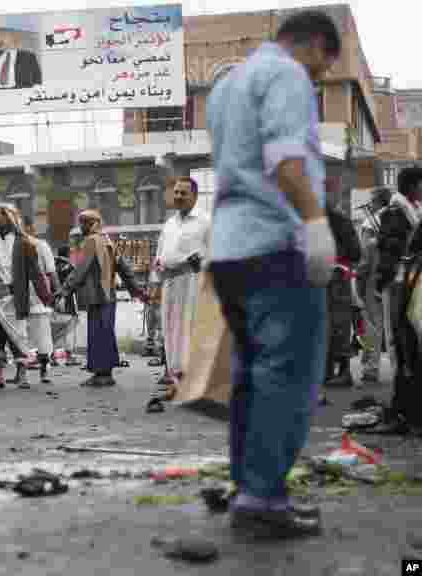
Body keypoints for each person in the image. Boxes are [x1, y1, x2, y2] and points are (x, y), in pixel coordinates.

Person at [206, 10, 341, 537]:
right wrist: (315, 223)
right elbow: (287, 162)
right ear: (313, 47)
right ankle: (263, 499)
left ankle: (252, 490)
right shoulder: (286, 74)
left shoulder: (228, 84)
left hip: (229, 248)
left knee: (251, 376)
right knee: (285, 375)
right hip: (275, 244)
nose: (316, 80)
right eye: (322, 70)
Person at [57, 210, 144, 387]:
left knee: (97, 335)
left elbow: (81, 269)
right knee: (106, 334)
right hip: (109, 295)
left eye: (83, 222)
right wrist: (136, 290)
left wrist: (64, 290)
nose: (81, 226)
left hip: (96, 296)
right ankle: (107, 374)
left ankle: (100, 374)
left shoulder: (91, 241)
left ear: (91, 224)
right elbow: (124, 267)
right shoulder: (107, 240)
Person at [147, 178, 210, 412]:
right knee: (172, 334)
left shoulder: (205, 222)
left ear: (194, 195)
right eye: (176, 193)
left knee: (191, 333)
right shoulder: (170, 224)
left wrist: (201, 262)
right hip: (170, 284)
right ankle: (177, 383)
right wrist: (155, 281)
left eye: (183, 193)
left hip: (194, 284)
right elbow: (160, 254)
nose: (179, 197)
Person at [375, 166, 422, 433]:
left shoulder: (410, 212)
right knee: (401, 345)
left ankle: (406, 407)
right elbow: (390, 250)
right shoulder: (397, 213)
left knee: (408, 345)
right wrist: (384, 281)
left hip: (408, 286)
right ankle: (403, 407)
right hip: (399, 286)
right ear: (413, 186)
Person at [0, 204, 42, 389]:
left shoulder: (24, 243)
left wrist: (48, 297)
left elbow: (36, 273)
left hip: (15, 298)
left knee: (19, 337)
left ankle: (22, 376)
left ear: (9, 217)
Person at [323, 202, 362, 389]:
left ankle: (342, 371)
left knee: (337, 323)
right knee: (331, 324)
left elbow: (355, 251)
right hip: (328, 277)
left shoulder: (336, 218)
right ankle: (329, 371)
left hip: (336, 276)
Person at [356, 187, 391, 387]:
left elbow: (365, 258)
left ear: (377, 201)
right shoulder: (397, 220)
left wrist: (359, 281)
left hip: (373, 279)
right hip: (394, 277)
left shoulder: (370, 223)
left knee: (372, 325)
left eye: (372, 200)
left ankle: (371, 368)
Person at [22, 215, 58, 384]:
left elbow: (51, 272)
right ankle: (21, 374)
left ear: (30, 228)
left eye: (23, 227)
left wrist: (56, 295)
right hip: (20, 295)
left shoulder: (41, 246)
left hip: (39, 294)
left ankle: (44, 371)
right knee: (21, 335)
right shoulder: (14, 246)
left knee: (42, 334)